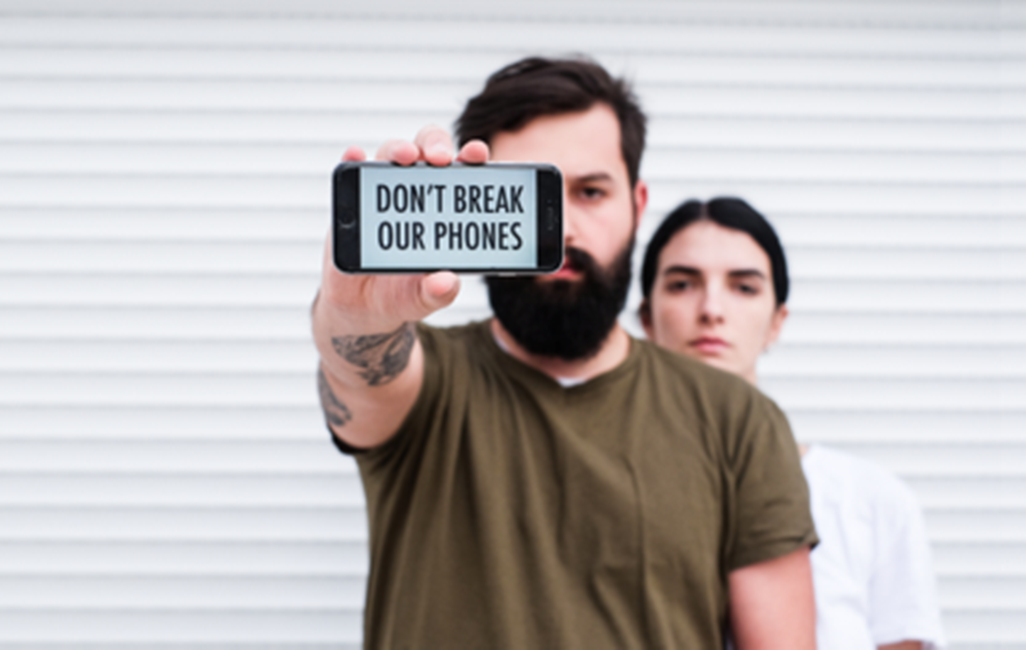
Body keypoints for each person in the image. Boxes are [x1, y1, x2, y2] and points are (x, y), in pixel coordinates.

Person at [312, 57, 819, 649]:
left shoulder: (739, 421)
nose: (565, 231)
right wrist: (355, 315)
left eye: (590, 192)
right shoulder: (427, 385)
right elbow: (360, 369)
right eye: (528, 198)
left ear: (636, 201)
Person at [639, 197, 948, 650]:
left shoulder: (871, 500)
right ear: (645, 318)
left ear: (777, 322)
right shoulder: (604, 483)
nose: (711, 309)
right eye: (683, 284)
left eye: (744, 287)